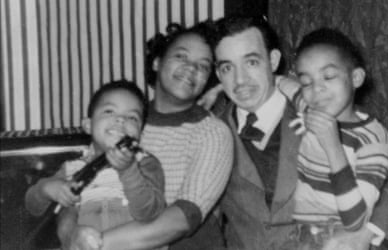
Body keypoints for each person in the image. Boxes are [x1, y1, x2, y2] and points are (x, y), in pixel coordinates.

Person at [212, 16, 388, 250]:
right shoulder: (211, 132)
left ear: (272, 60)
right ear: (219, 75)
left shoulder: (323, 108)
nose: (240, 80)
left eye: (251, 62)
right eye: (227, 67)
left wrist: (368, 232)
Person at [70, 21, 234, 250]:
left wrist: (95, 244)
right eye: (181, 56)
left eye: (203, 66)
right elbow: (76, 190)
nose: (191, 68)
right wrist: (71, 234)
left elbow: (181, 220)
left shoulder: (213, 133)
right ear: (157, 62)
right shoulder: (123, 121)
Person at [280, 28, 388, 250]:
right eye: (307, 81)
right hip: (302, 238)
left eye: (329, 76)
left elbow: (356, 221)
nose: (317, 88)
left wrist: (332, 145)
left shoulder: (374, 141)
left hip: (347, 241)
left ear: (356, 78)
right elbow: (285, 84)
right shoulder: (310, 109)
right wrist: (219, 89)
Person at [24, 80, 165, 250]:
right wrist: (46, 188)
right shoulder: (72, 168)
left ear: (140, 133)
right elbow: (32, 206)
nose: (121, 119)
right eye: (109, 111)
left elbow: (151, 213)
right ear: (88, 125)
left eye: (132, 117)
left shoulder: (146, 163)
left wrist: (128, 170)